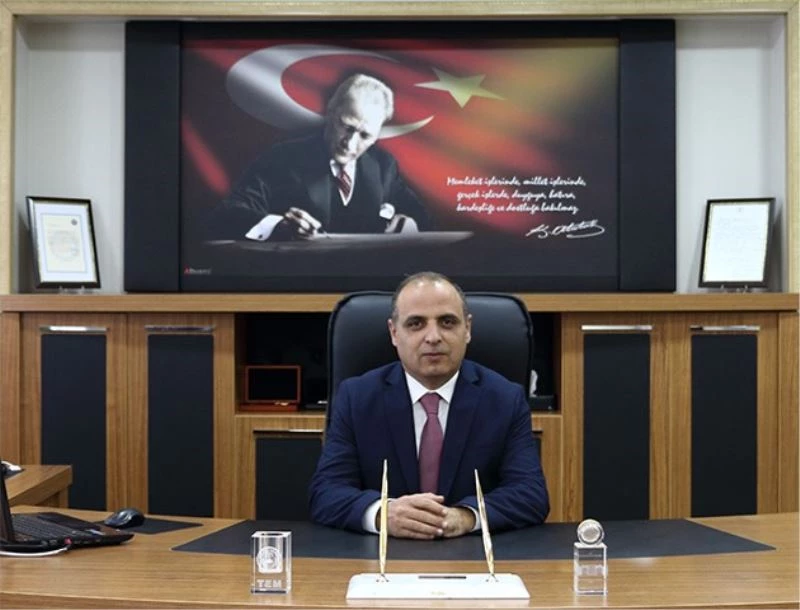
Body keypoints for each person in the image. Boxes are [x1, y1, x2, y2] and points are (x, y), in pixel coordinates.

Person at [309, 271, 549, 539]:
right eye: (416, 324)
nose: (433, 336)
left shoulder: (505, 399)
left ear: (467, 329)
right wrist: (383, 514)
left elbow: (530, 494)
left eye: (447, 322)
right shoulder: (356, 398)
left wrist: (466, 517)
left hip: (472, 555)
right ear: (394, 333)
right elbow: (326, 492)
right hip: (380, 556)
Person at [208, 73, 428, 241]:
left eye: (365, 135)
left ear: (377, 135)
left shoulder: (384, 166)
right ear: (331, 112)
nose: (350, 143)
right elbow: (226, 216)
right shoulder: (282, 158)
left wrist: (411, 226)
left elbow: (425, 220)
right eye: (347, 127)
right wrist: (280, 226)